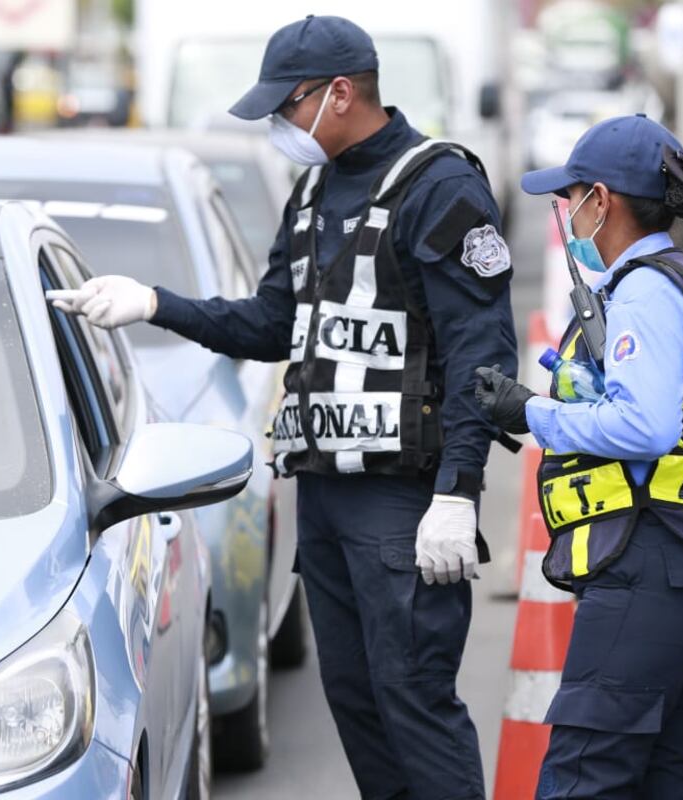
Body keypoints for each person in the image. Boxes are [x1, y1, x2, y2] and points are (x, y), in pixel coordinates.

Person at [51, 15, 517, 799]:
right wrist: (155, 303)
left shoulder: (440, 187)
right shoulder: (313, 191)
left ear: (340, 94)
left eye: (286, 105)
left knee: (414, 702)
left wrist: (458, 493)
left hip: (405, 500)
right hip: (327, 501)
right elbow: (273, 325)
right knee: (358, 704)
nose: (278, 123)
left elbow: (483, 356)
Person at [475, 115, 683, 799]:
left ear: (601, 201)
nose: (565, 214)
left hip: (651, 571)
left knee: (583, 780)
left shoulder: (645, 290)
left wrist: (531, 412)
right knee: (669, 784)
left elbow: (645, 425)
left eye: (569, 198)